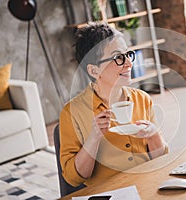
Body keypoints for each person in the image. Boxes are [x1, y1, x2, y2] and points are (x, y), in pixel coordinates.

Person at [59, 22, 168, 187]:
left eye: (128, 54)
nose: (129, 64)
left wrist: (154, 134)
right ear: (94, 71)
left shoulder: (143, 99)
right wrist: (93, 139)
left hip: (149, 185)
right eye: (118, 57)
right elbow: (73, 178)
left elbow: (161, 158)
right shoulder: (71, 113)